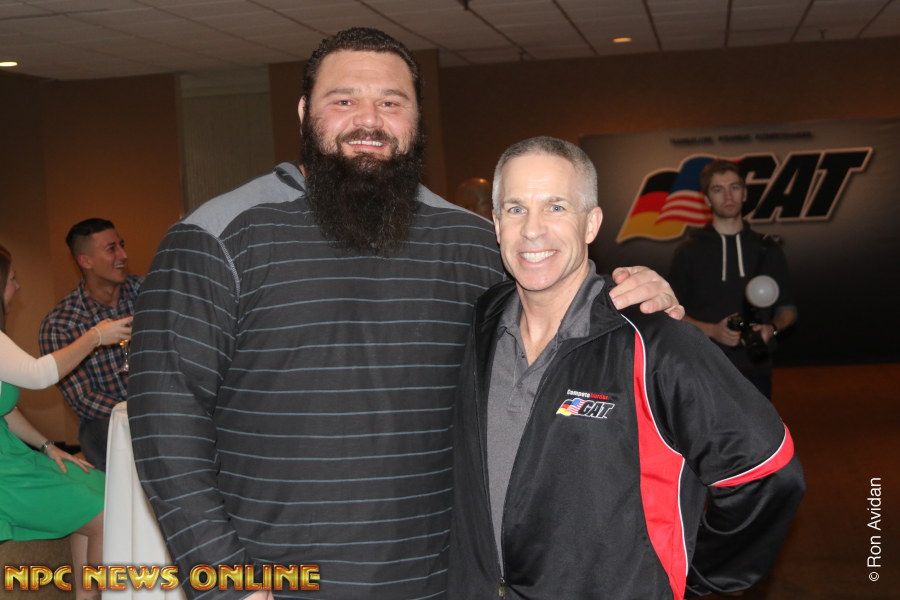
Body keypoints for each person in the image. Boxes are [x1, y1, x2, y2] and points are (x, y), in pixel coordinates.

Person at [127, 28, 681, 600]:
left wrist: (636, 297)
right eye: (344, 100)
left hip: (442, 583)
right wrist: (225, 581)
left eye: (391, 103)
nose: (368, 120)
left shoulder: (475, 244)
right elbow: (165, 423)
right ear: (304, 112)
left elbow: (562, 326)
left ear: (417, 120)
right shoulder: (215, 240)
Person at [448, 137, 805, 599]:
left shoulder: (655, 341)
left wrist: (682, 578)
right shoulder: (479, 322)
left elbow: (769, 471)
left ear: (591, 223)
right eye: (516, 209)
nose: (532, 229)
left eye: (556, 207)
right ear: (496, 224)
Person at [0, 244, 131, 600]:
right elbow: (39, 374)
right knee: (106, 512)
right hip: (4, 473)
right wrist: (95, 336)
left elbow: (5, 410)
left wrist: (48, 446)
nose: (18, 287)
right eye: (12, 279)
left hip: (13, 456)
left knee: (100, 484)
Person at [669, 159, 797, 398]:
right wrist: (712, 331)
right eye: (718, 189)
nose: (728, 196)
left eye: (735, 187)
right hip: (703, 368)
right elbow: (671, 313)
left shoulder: (768, 249)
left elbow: (788, 309)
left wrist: (771, 328)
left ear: (744, 193)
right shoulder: (689, 252)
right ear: (707, 199)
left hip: (756, 370)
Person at [39, 218, 140, 469]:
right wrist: (136, 410)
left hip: (161, 402)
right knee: (106, 433)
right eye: (111, 249)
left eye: (121, 245)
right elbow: (82, 398)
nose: (123, 255)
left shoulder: (148, 293)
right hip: (106, 419)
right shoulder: (61, 323)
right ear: (85, 261)